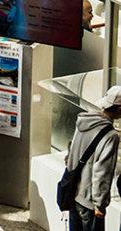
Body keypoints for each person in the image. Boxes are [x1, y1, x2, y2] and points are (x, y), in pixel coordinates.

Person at [63, 86, 121, 231]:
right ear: (119, 109)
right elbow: (102, 172)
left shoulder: (83, 122)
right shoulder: (111, 135)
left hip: (72, 192)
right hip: (89, 202)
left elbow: (70, 155)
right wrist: (100, 204)